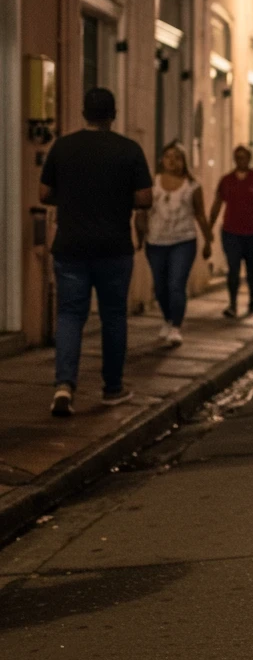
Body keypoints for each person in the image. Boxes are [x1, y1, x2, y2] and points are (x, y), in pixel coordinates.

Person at [40, 88, 153, 416]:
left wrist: (72, 198)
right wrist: (117, 198)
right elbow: (145, 198)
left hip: (71, 246)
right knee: (113, 317)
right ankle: (112, 389)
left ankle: (63, 387)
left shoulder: (63, 147)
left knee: (70, 314)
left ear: (84, 112)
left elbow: (44, 192)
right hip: (114, 247)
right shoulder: (128, 150)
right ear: (113, 114)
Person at [135, 143, 213, 347]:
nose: (172, 160)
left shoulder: (193, 186)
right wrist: (140, 237)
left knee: (176, 284)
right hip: (156, 241)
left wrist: (208, 241)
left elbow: (200, 214)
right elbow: (142, 211)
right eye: (168, 156)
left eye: (177, 157)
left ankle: (176, 327)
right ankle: (168, 319)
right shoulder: (153, 182)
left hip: (183, 241)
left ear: (184, 161)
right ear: (162, 159)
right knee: (160, 287)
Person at [208, 146, 253, 318]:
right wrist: (209, 226)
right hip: (231, 231)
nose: (241, 160)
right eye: (238, 157)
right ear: (234, 159)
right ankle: (232, 303)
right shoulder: (227, 180)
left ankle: (252, 300)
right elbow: (217, 203)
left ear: (249, 159)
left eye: (244, 157)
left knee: (251, 267)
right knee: (233, 267)